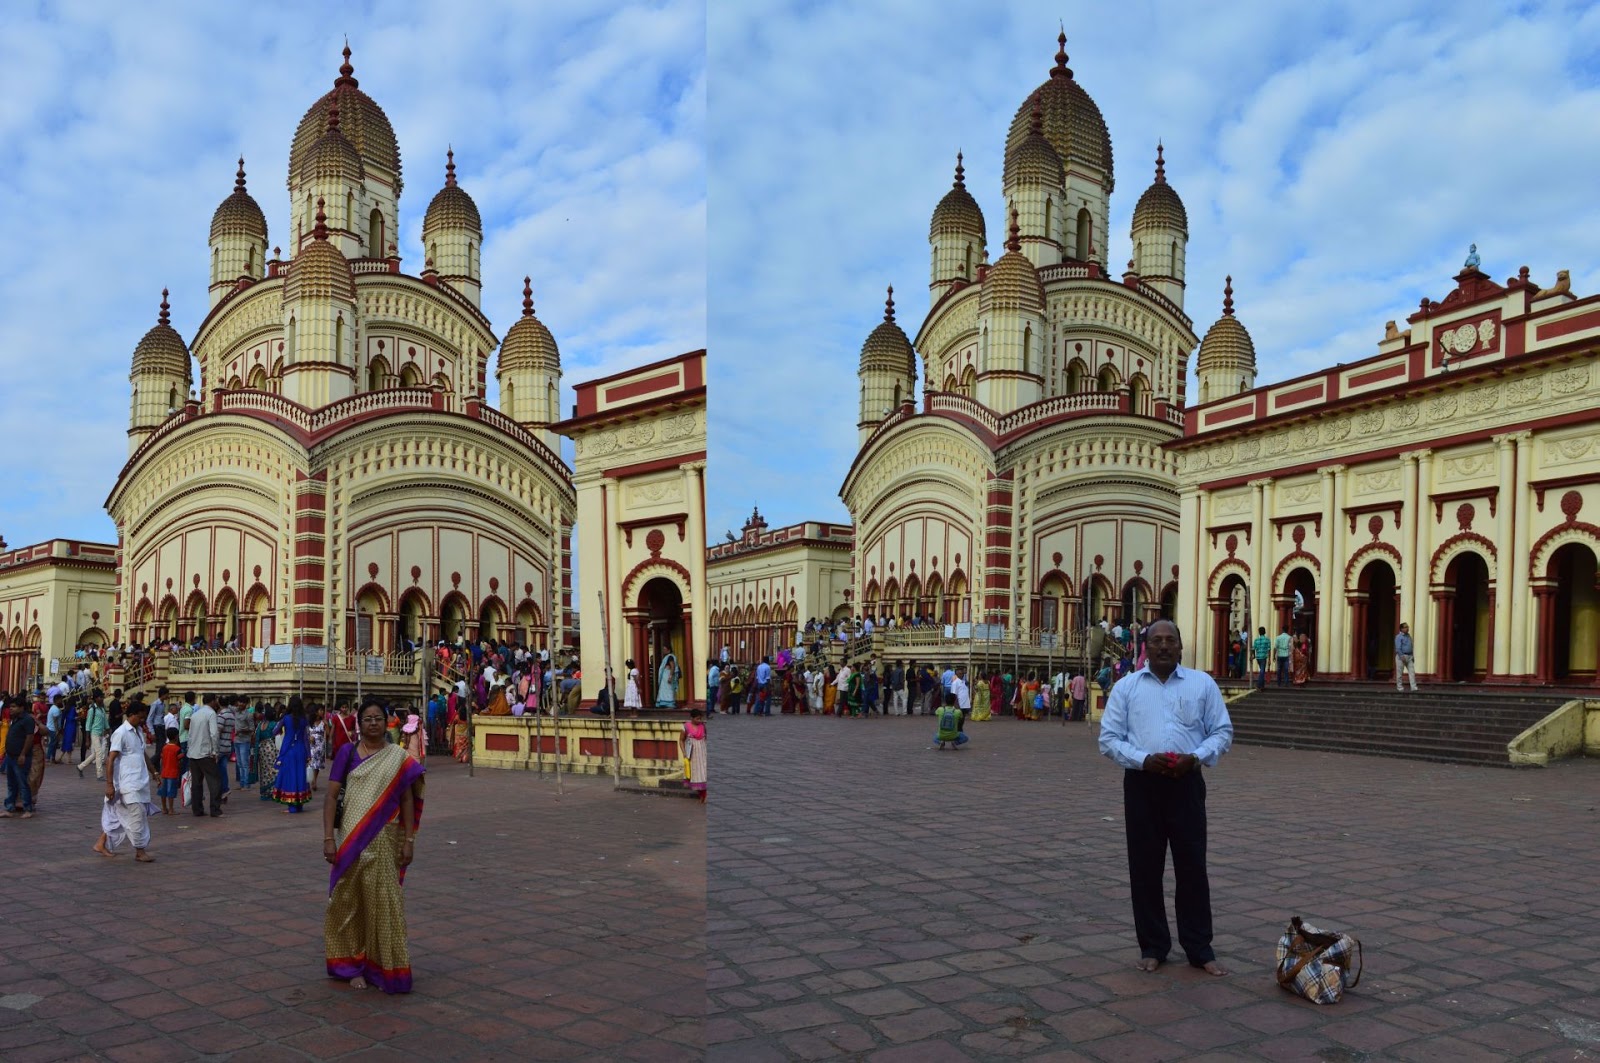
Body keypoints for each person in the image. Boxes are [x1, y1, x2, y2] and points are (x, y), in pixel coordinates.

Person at [1098, 620, 1232, 976]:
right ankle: (1153, 945)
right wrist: (1143, 759)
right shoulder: (1126, 688)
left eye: (1170, 640)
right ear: (1145, 646)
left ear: (1181, 646)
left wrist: (1196, 756)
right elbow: (1109, 739)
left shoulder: (1202, 684)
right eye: (1156, 640)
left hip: (1186, 783)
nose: (1163, 646)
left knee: (1192, 867)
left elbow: (1222, 731)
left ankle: (1199, 947)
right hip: (1142, 785)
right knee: (1145, 868)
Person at [323, 701, 426, 994]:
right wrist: (328, 837)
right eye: (367, 719)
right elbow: (331, 797)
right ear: (360, 724)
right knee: (348, 902)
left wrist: (408, 841)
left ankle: (384, 967)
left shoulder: (397, 758)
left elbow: (407, 800)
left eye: (378, 718)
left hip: (385, 839)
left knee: (384, 904)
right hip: (351, 839)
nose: (372, 724)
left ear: (386, 722)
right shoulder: (347, 753)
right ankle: (351, 966)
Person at [103, 701, 156, 862]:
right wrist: (110, 784)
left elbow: (143, 754)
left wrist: (155, 772)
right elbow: (110, 760)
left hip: (140, 781)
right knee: (137, 815)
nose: (142, 720)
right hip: (127, 783)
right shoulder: (121, 732)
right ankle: (140, 850)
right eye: (140, 717)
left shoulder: (138, 731)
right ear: (131, 715)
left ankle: (101, 843)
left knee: (122, 816)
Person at [272, 697, 312, 813]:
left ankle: (292, 806)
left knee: (290, 777)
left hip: (289, 750)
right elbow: (306, 738)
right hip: (301, 751)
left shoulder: (286, 718)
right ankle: (299, 805)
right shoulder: (304, 719)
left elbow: (274, 731)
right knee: (300, 775)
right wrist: (309, 754)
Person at [2, 696, 37, 818]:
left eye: (14, 707)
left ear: (21, 708)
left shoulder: (27, 719)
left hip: (20, 757)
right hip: (11, 756)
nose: (11, 709)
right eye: (10, 706)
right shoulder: (15, 719)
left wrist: (22, 754)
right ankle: (10, 807)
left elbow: (29, 737)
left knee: (22, 782)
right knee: (11, 783)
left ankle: (28, 808)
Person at [187, 694, 222, 817]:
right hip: (206, 752)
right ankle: (215, 809)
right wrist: (215, 751)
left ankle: (197, 809)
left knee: (196, 783)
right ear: (212, 701)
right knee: (214, 782)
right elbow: (214, 734)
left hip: (193, 752)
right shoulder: (211, 713)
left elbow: (190, 735)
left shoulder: (196, 714)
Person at [77, 695, 110, 780]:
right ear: (96, 698)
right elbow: (88, 725)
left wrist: (108, 731)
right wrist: (87, 739)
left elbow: (105, 723)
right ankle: (99, 774)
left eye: (102, 697)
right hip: (94, 733)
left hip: (101, 734)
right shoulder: (92, 710)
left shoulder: (102, 710)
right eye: (100, 697)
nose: (101, 698)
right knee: (99, 753)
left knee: (95, 754)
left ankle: (80, 767)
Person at [681, 708, 707, 803]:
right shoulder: (685, 727)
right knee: (695, 774)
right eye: (697, 719)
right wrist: (684, 752)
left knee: (703, 774)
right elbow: (681, 740)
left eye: (700, 719)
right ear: (691, 718)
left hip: (703, 752)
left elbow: (706, 738)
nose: (699, 721)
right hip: (692, 754)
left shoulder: (703, 726)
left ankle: (704, 795)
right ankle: (701, 795)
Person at [158, 727, 181, 815]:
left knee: (163, 792)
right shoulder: (177, 749)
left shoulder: (164, 747)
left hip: (164, 772)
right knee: (171, 791)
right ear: (176, 736)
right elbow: (179, 761)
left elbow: (161, 759)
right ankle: (171, 809)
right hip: (173, 773)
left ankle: (164, 808)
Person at [1394, 622, 1418, 692]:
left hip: (1409, 656)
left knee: (1412, 672)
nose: (1407, 628)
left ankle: (1413, 687)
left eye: (1407, 627)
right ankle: (1399, 687)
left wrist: (1412, 656)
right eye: (1405, 627)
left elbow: (1411, 646)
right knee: (1399, 673)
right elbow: (1398, 648)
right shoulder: (1398, 637)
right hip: (1401, 656)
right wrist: (1401, 656)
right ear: (1401, 629)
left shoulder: (1409, 636)